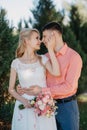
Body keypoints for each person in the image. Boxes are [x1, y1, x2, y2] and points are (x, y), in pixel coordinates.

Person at [17, 22, 82, 130]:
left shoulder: (74, 57)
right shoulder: (46, 57)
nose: (42, 40)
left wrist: (43, 90)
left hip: (67, 107)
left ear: (54, 35)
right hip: (46, 106)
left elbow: (69, 86)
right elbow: (38, 79)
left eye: (45, 36)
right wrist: (24, 88)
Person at [8, 28, 61, 130]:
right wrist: (24, 101)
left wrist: (50, 49)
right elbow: (11, 89)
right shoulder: (16, 63)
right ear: (26, 41)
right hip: (24, 107)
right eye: (36, 38)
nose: (40, 41)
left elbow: (56, 72)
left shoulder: (42, 59)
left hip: (44, 106)